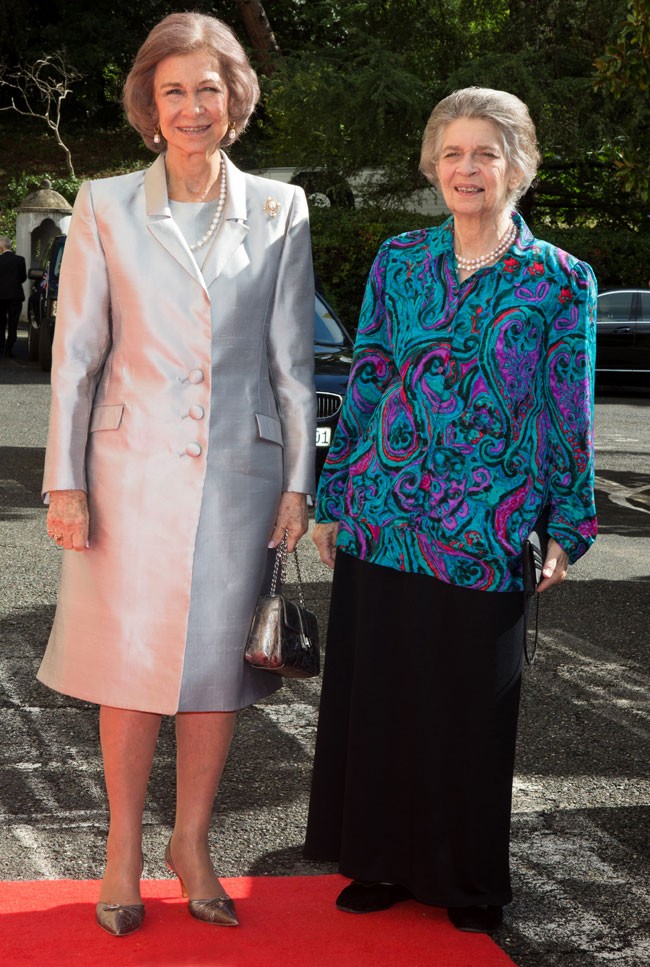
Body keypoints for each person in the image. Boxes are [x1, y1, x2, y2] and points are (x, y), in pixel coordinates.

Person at [37, 12, 315, 938]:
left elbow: (292, 366)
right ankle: (121, 849)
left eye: (209, 88)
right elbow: (76, 356)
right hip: (126, 475)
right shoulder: (105, 203)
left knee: (213, 669)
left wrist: (298, 482)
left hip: (242, 472)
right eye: (174, 90)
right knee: (129, 665)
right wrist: (63, 482)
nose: (193, 106)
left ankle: (191, 844)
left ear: (235, 100)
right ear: (149, 107)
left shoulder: (281, 207)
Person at [304, 87, 597, 934]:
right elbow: (368, 377)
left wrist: (568, 527)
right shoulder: (399, 261)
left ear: (519, 167)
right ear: (433, 167)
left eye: (486, 154)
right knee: (383, 696)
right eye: (453, 154)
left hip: (490, 527)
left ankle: (469, 878)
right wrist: (334, 494)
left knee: (471, 707)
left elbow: (564, 411)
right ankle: (382, 862)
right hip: (383, 514)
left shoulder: (559, 281)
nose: (467, 169)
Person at [0, 236, 27, 357]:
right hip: (15, 296)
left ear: (1, 247)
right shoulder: (20, 260)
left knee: (0, 323)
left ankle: (1, 347)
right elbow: (23, 278)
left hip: (1, 297)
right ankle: (9, 349)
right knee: (13, 323)